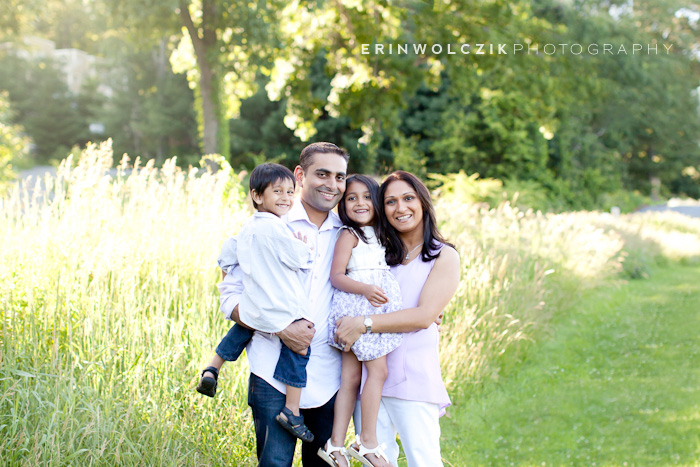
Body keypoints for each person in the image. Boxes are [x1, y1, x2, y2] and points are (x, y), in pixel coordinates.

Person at [218, 142, 349, 467]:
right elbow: (229, 296)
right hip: (271, 372)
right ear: (300, 174)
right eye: (323, 174)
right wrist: (278, 328)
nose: (332, 184)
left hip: (330, 376)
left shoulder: (349, 233)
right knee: (274, 463)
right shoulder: (268, 224)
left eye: (340, 177)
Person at [334, 171, 461, 467]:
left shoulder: (443, 256)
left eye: (408, 199)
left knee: (424, 461)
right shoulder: (377, 254)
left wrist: (364, 323)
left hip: (413, 378)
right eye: (390, 202)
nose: (400, 208)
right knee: (375, 461)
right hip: (371, 379)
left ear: (423, 202)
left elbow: (424, 315)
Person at [196, 162, 317, 442]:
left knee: (243, 328)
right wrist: (304, 245)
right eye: (278, 191)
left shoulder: (247, 228)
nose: (286, 197)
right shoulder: (277, 229)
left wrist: (230, 271)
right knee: (299, 347)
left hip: (254, 302)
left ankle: (213, 367)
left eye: (290, 191)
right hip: (282, 304)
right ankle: (292, 409)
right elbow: (301, 260)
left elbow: (227, 253)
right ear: (258, 196)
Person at [318, 175, 402, 467]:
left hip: (370, 311)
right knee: (378, 371)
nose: (360, 203)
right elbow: (337, 276)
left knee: (351, 378)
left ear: (376, 201)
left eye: (367, 197)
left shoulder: (379, 234)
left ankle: (335, 444)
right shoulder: (349, 235)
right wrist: (366, 289)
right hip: (356, 307)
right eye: (351, 198)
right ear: (342, 204)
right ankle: (367, 441)